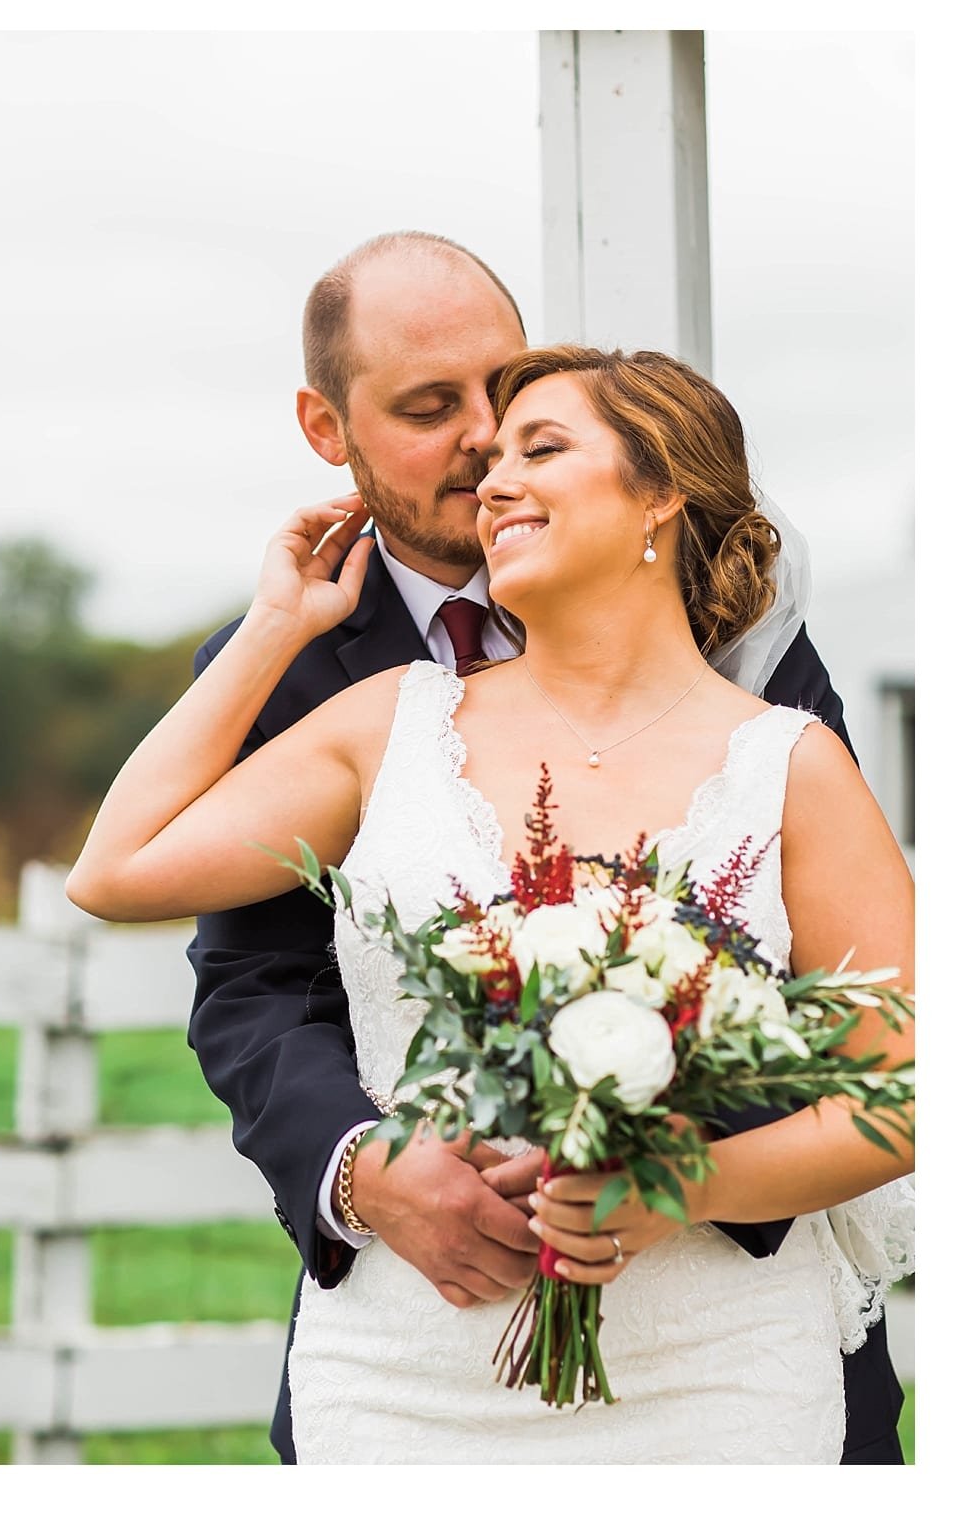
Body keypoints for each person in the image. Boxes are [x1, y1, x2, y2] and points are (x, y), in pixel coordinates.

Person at [65, 342, 915, 1462]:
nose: (492, 481)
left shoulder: (786, 764)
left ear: (659, 490)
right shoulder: (389, 723)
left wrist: (673, 1187)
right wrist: (273, 625)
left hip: (711, 1381)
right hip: (404, 1378)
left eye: (542, 450)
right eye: (492, 459)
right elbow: (114, 869)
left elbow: (902, 1094)